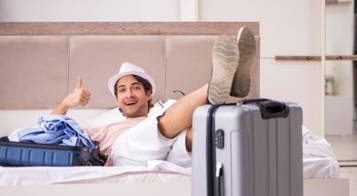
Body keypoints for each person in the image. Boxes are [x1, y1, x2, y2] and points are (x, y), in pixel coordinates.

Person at [52, 27, 256, 167]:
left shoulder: (166, 107)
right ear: (117, 100)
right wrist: (66, 103)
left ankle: (225, 87)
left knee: (196, 129)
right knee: (157, 126)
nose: (129, 94)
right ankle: (217, 86)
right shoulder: (105, 125)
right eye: (122, 90)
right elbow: (49, 130)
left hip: (173, 150)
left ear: (149, 94)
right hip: (127, 154)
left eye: (135, 88)